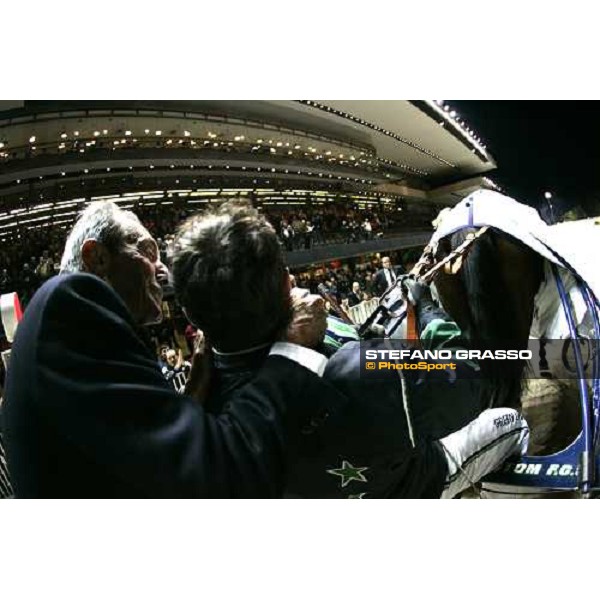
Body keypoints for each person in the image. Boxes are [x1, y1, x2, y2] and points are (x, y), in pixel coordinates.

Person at [171, 201, 529, 498]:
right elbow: (472, 379)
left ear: (190, 313)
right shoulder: (360, 369)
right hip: (411, 482)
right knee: (511, 422)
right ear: (287, 281)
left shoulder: (197, 410)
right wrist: (426, 310)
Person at [1, 201, 333, 498]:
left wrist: (192, 395)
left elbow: (142, 462)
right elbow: (218, 477)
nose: (163, 270)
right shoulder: (70, 300)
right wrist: (292, 346)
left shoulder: (62, 328)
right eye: (147, 252)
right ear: (97, 257)